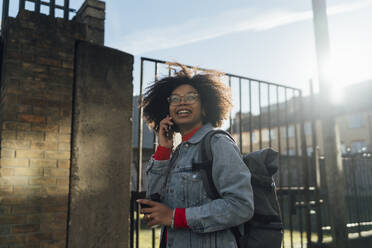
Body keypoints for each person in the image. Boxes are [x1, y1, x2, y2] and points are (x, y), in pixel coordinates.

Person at [137, 66, 254, 248]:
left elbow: (240, 206)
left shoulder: (217, 143)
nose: (182, 103)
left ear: (205, 108)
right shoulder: (176, 152)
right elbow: (155, 199)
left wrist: (176, 217)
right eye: (175, 99)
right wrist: (163, 150)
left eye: (191, 97)